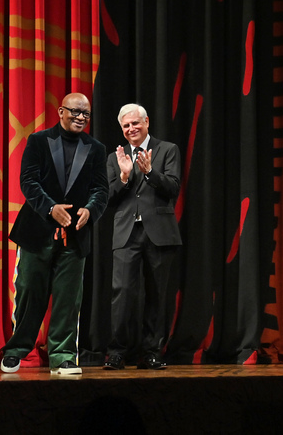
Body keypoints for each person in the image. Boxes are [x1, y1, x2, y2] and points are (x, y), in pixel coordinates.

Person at [0, 92, 108, 375]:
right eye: (75, 111)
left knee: (68, 298)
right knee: (28, 292)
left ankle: (62, 356)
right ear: (61, 111)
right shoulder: (38, 141)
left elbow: (100, 189)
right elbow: (28, 181)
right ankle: (16, 350)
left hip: (75, 236)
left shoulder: (96, 148)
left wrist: (90, 210)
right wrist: (50, 209)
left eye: (85, 113)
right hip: (37, 233)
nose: (80, 117)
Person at [103, 103, 182, 370]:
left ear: (146, 121)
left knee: (157, 294)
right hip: (126, 233)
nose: (131, 129)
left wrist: (150, 172)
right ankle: (117, 352)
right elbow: (109, 198)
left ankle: (152, 352)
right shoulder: (115, 156)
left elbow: (173, 188)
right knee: (122, 293)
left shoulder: (167, 149)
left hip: (159, 233)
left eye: (135, 123)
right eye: (125, 126)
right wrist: (124, 176)